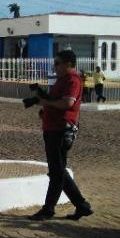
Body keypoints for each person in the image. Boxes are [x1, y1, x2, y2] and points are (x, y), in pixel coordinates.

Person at [30, 50, 93, 221]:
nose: (54, 66)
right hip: (52, 128)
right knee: (58, 170)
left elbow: (68, 103)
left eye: (57, 63)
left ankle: (49, 209)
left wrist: (46, 102)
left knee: (57, 171)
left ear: (67, 63)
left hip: (60, 130)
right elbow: (56, 101)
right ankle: (81, 205)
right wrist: (45, 108)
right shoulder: (62, 80)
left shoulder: (73, 80)